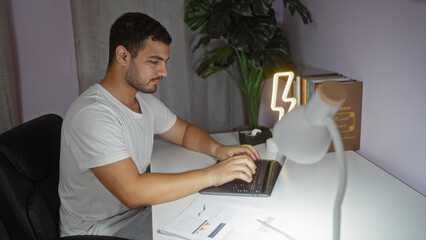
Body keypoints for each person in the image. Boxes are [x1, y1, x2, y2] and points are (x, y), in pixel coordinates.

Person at [58, 12, 260, 239]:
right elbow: (132, 192)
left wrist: (219, 150)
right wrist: (213, 175)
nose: (164, 72)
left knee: (226, 216)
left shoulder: (142, 101)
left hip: (140, 212)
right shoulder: (92, 116)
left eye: (164, 62)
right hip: (101, 231)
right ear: (123, 55)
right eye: (154, 62)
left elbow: (184, 132)